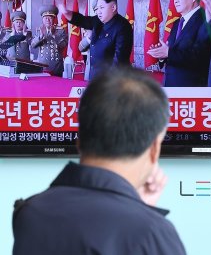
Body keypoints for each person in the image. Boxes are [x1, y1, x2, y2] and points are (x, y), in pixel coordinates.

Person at [12, 67, 186, 255]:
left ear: (79, 140)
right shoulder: (152, 233)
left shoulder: (30, 213)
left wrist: (135, 207)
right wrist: (141, 213)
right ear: (154, 149)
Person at [148, 0, 211, 87]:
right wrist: (162, 55)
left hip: (191, 87)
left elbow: (201, 56)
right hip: (172, 84)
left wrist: (169, 53)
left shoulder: (205, 20)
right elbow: (175, 51)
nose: (175, 0)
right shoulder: (178, 22)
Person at [58, 0, 133, 80]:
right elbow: (82, 20)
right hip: (95, 77)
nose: (98, 11)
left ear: (113, 8)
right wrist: (66, 12)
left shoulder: (122, 26)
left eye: (102, 7)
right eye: (97, 8)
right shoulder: (98, 21)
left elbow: (119, 60)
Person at [31, 5, 68, 76]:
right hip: (42, 66)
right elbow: (33, 45)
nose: (47, 20)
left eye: (50, 18)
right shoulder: (39, 31)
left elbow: (63, 45)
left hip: (56, 67)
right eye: (45, 18)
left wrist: (54, 35)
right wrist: (41, 36)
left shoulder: (60, 30)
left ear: (54, 19)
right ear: (42, 19)